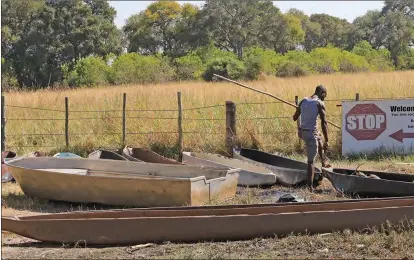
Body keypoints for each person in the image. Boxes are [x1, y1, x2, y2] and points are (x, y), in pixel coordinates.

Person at [292, 85, 331, 191]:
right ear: (322, 93)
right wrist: (327, 140)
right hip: (310, 134)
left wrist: (301, 110)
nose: (324, 98)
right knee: (311, 162)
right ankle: (309, 187)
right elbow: (324, 122)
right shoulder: (319, 103)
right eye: (325, 96)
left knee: (318, 137)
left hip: (303, 133)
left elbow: (294, 117)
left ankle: (323, 161)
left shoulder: (303, 100)